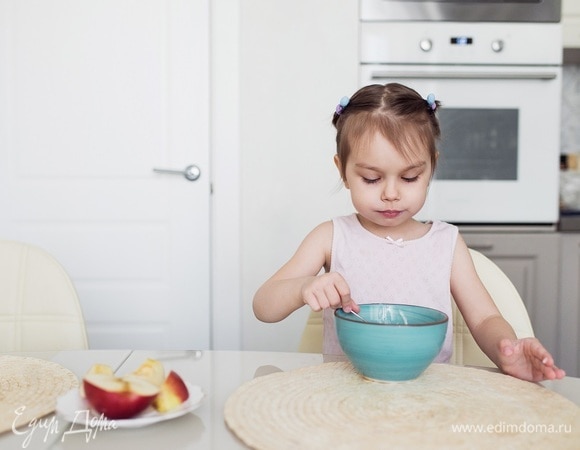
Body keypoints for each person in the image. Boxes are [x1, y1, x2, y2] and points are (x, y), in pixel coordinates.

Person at [253, 82, 565, 382]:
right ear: (343, 171)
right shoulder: (330, 237)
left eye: (410, 177)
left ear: (431, 168)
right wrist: (303, 287)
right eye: (372, 179)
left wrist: (507, 350)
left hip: (426, 398)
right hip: (344, 397)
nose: (391, 193)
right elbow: (263, 306)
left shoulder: (447, 243)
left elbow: (485, 320)